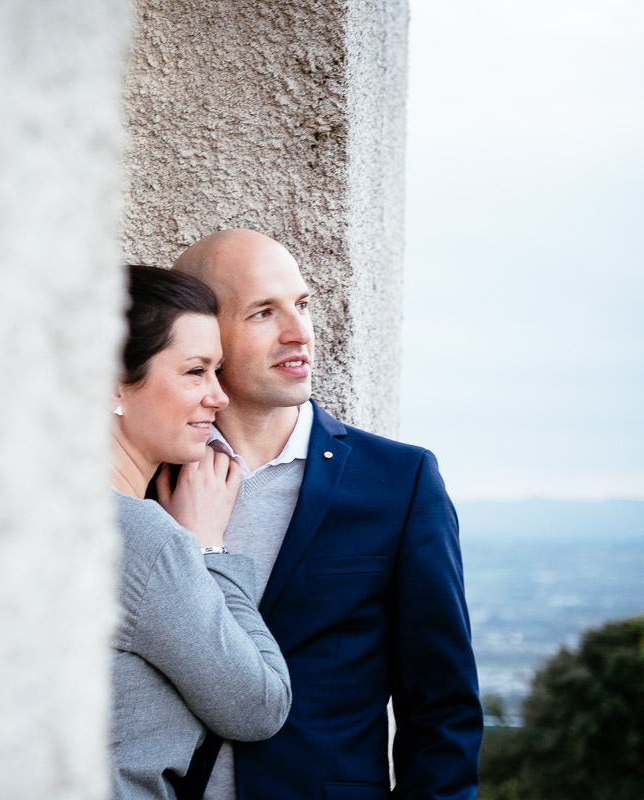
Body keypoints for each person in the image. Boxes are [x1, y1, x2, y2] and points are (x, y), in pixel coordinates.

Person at [168, 229, 483, 800]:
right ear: (204, 338)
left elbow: (442, 709)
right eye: (264, 312)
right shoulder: (150, 480)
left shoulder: (399, 483)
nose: (300, 333)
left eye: (302, 305)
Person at [109, 265, 291, 800]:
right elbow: (259, 706)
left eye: (219, 371)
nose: (220, 397)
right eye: (196, 371)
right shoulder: (141, 539)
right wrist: (207, 547)